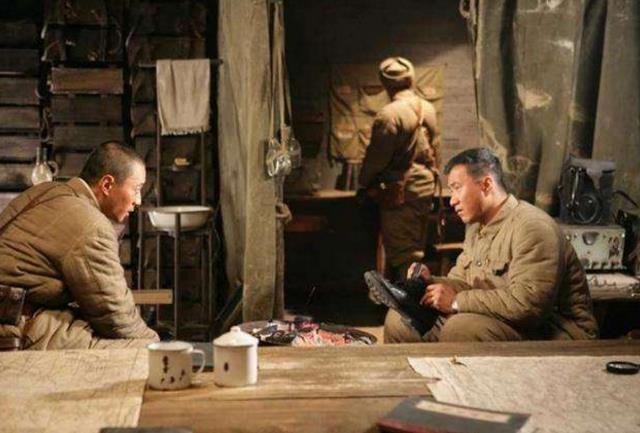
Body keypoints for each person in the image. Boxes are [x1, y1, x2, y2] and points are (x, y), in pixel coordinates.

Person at [366, 147, 599, 343]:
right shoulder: (477, 227)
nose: (452, 200)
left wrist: (455, 302)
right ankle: (420, 384)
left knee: (460, 329)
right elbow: (464, 282)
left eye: (457, 187)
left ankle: (457, 385)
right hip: (500, 319)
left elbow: (528, 306)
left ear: (486, 185)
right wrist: (429, 282)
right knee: (399, 322)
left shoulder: (532, 227)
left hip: (556, 330)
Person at [0, 141, 159, 349]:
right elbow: (117, 317)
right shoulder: (91, 224)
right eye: (136, 189)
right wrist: (154, 340)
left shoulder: (46, 191)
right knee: (144, 348)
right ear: (107, 185)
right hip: (13, 324)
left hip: (18, 311)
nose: (138, 201)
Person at [358, 56, 440, 281]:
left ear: (385, 84)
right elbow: (434, 148)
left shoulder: (389, 115)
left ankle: (411, 300)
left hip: (400, 191)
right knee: (415, 250)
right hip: (425, 186)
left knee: (404, 255)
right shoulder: (427, 108)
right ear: (411, 79)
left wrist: (363, 182)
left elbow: (377, 158)